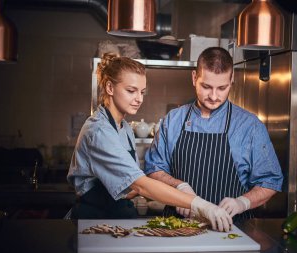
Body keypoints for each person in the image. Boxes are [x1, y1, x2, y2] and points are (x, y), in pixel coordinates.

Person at [67, 53, 232, 232]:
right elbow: (139, 184)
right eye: (131, 91)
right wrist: (201, 205)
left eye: (142, 92)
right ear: (109, 87)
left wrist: (178, 191)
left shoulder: (124, 127)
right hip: (93, 222)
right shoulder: (99, 132)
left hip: (117, 219)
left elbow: (131, 187)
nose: (139, 98)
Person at [144, 47, 283, 221]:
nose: (214, 96)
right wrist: (178, 188)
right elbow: (153, 169)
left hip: (234, 229)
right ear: (194, 78)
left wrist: (242, 202)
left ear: (232, 80)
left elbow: (270, 181)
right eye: (206, 86)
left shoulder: (250, 126)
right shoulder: (173, 120)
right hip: (178, 228)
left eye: (222, 88)